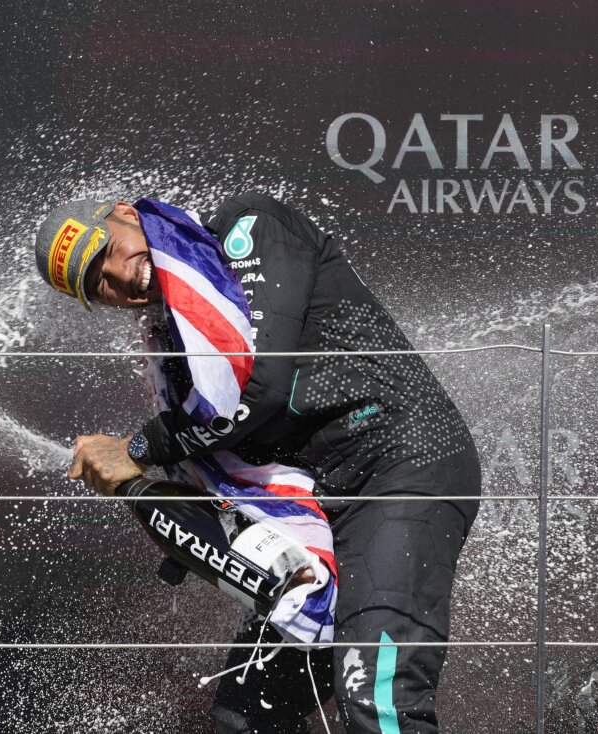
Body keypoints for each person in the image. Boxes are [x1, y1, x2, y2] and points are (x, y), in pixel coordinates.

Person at [34, 193, 481, 734]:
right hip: (318, 509)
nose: (118, 276)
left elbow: (259, 389)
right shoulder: (172, 340)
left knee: (375, 698)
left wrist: (134, 451)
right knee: (243, 718)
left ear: (128, 213)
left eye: (105, 249)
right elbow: (214, 465)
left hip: (400, 470)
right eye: (96, 284)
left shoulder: (248, 227)